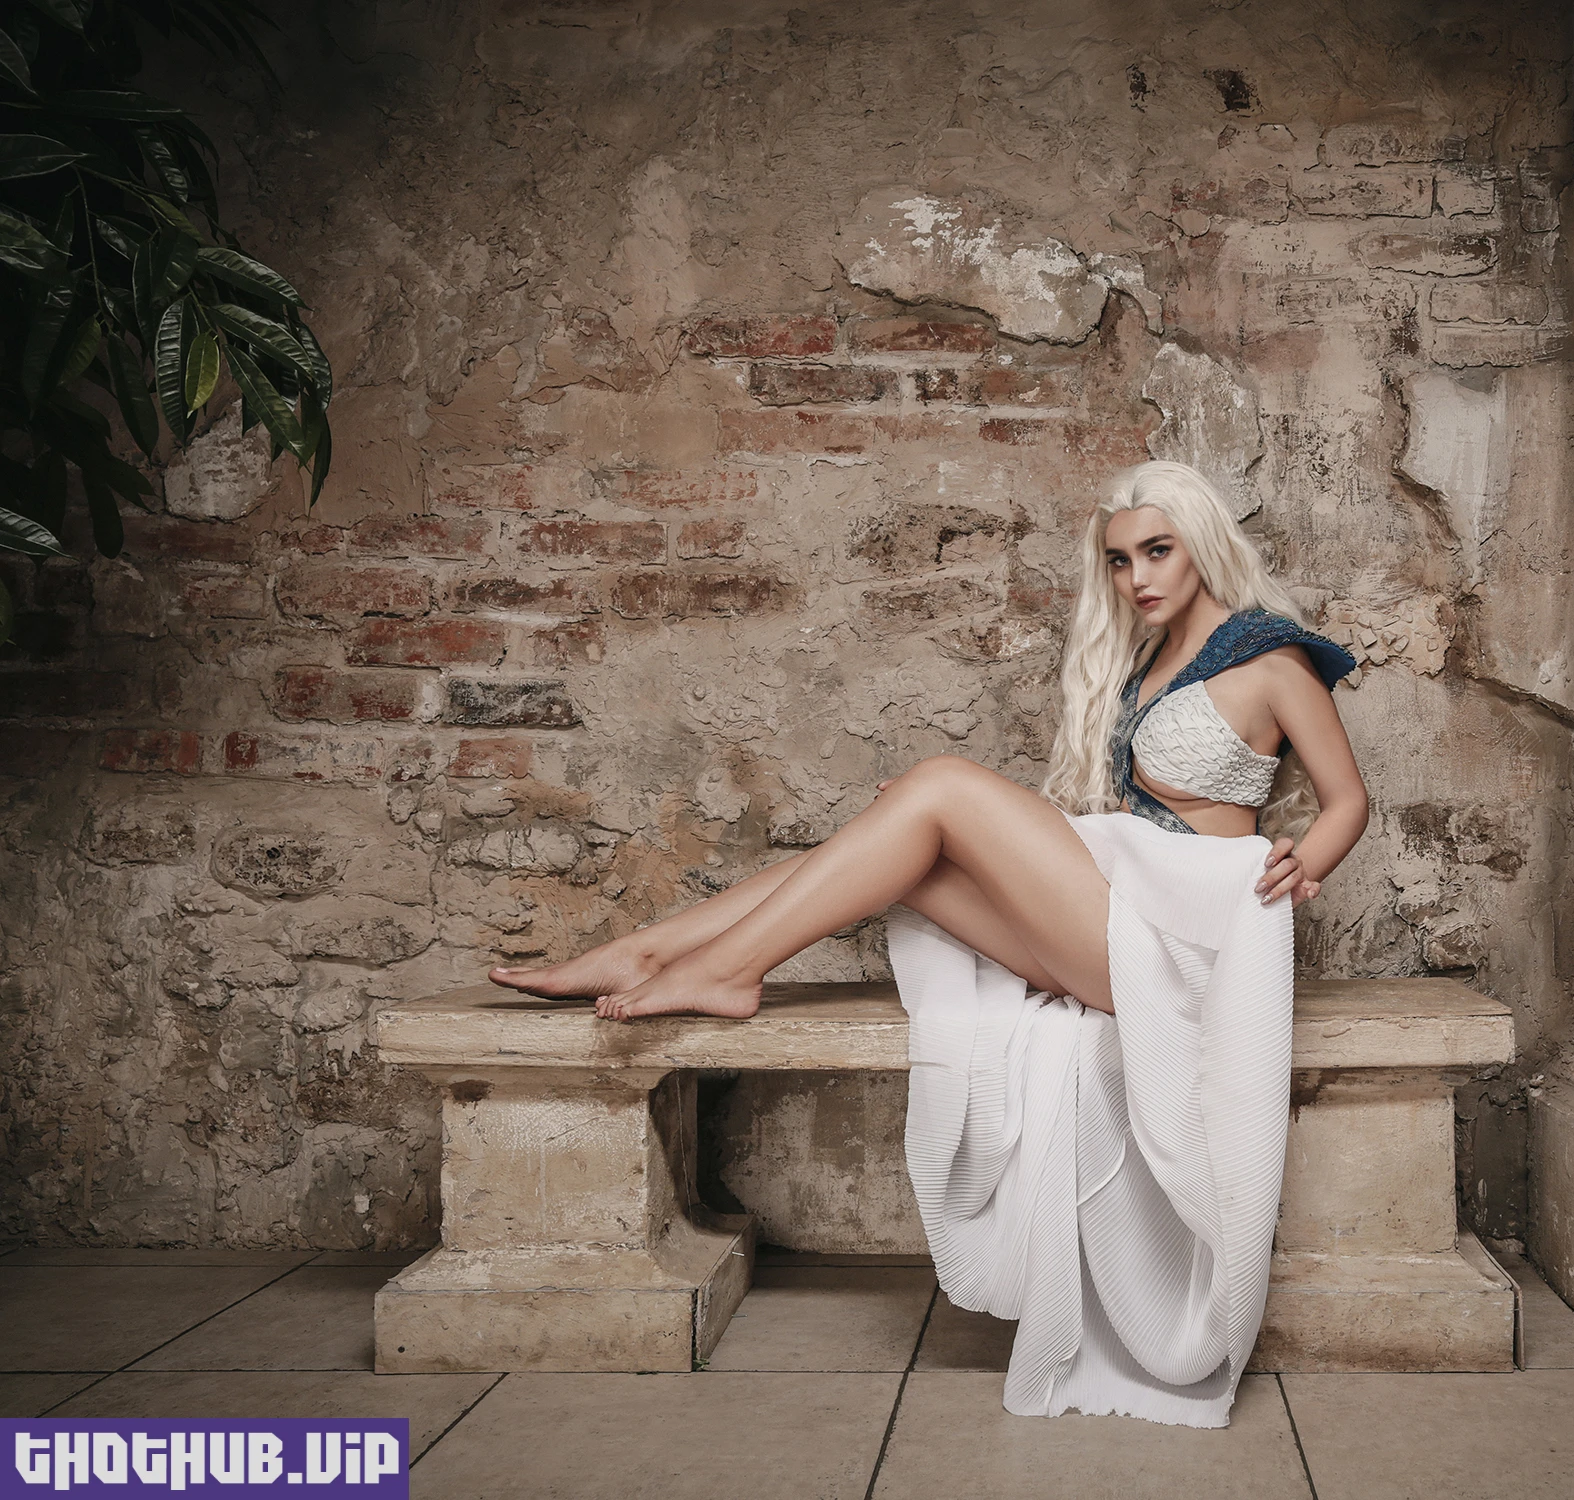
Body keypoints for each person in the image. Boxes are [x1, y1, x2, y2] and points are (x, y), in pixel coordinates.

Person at [491, 459, 1368, 1425]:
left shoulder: (1273, 660)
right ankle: (651, 952)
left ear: (1200, 542)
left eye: (1156, 551)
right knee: (893, 843)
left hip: (1180, 948)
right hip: (1118, 910)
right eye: (1120, 561)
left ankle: (725, 967)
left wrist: (1306, 862)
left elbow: (1348, 800)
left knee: (937, 788)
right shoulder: (1146, 664)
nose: (1137, 578)